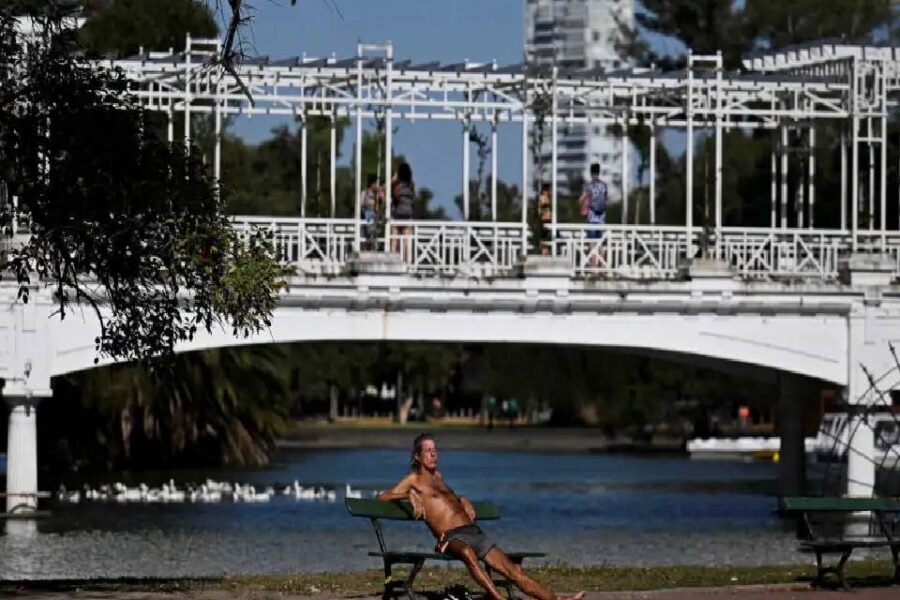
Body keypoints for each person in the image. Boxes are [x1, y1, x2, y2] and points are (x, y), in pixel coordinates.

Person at [379, 434, 584, 600]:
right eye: (429, 451)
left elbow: (447, 500)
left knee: (513, 571)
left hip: (472, 530)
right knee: (467, 553)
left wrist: (464, 499)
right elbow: (383, 496)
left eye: (435, 450)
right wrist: (408, 495)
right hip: (451, 538)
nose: (434, 455)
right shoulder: (412, 480)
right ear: (417, 456)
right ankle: (497, 598)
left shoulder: (438, 477)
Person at [579, 163, 607, 272]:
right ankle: (603, 266)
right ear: (599, 172)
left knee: (592, 242)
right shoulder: (603, 186)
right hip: (601, 218)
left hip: (591, 218)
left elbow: (581, 199)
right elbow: (605, 200)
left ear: (591, 173)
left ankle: (593, 268)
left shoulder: (589, 185)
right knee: (600, 242)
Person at [391, 162, 415, 255]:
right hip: (408, 213)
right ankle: (407, 260)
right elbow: (413, 198)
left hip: (398, 213)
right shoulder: (411, 186)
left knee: (394, 238)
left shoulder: (398, 186)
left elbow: (395, 196)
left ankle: (392, 257)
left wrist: (393, 180)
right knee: (406, 239)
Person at [359, 174, 383, 251]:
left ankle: (373, 245)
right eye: (376, 183)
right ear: (372, 184)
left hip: (376, 218)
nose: (377, 185)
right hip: (366, 217)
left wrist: (380, 194)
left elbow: (384, 201)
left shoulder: (378, 193)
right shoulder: (365, 193)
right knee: (369, 214)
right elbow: (361, 204)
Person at [537, 183, 552, 256]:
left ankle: (547, 253)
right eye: (546, 190)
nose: (547, 192)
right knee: (544, 239)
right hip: (543, 220)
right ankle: (544, 253)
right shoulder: (542, 197)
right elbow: (543, 205)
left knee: (548, 239)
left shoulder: (549, 197)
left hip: (549, 220)